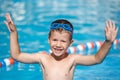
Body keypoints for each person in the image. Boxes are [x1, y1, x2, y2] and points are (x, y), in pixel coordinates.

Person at [4, 13, 118, 80]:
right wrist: (13, 33)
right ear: (49, 40)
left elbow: (96, 59)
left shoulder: (72, 59)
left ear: (70, 43)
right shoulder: (42, 58)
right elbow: (16, 55)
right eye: (55, 40)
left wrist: (108, 42)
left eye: (63, 41)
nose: (58, 44)